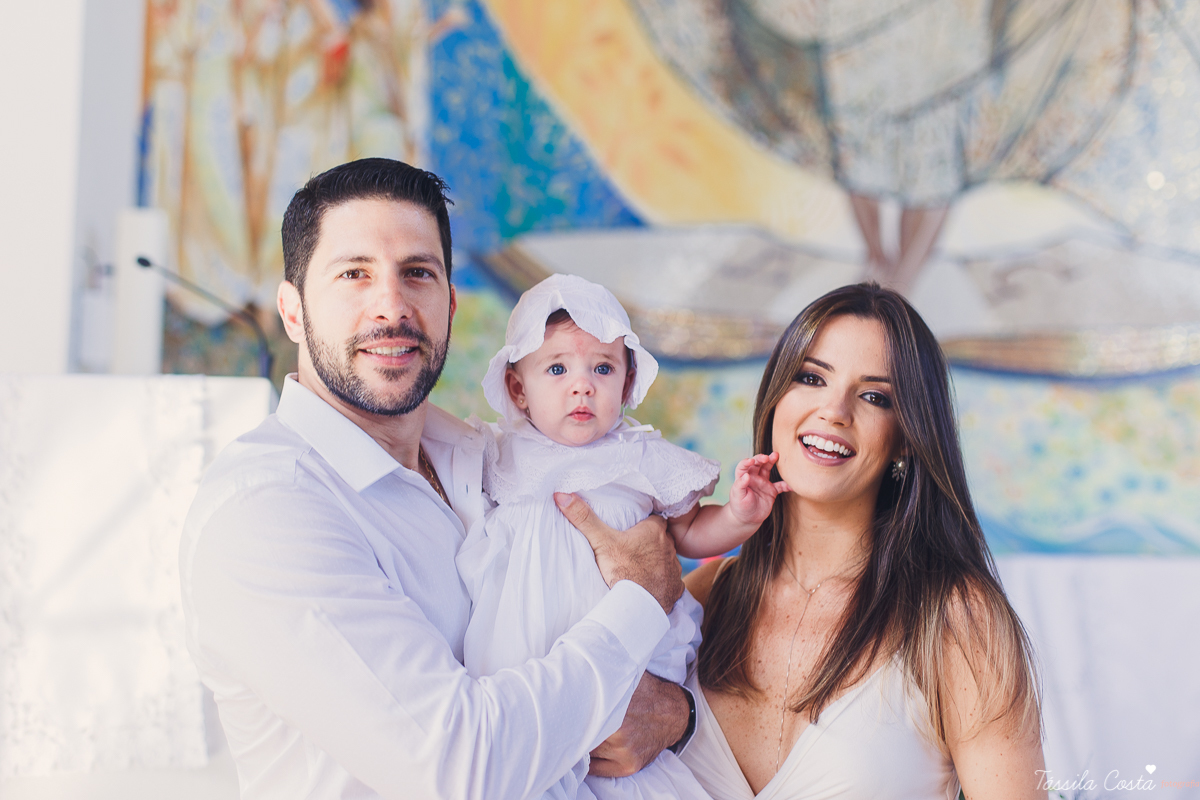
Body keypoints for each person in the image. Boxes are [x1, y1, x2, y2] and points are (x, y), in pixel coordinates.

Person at [179, 158, 695, 800]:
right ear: (292, 311)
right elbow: (459, 767)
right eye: (354, 274)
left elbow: (638, 675)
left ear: (449, 304)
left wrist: (675, 714)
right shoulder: (265, 511)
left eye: (416, 273)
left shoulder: (494, 458)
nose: (391, 307)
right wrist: (641, 601)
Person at [679, 283, 1045, 799]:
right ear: (775, 399)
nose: (834, 411)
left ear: (906, 438)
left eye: (874, 396)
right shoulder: (705, 597)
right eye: (811, 378)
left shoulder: (957, 621)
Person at [456, 273, 789, 800]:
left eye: (603, 368)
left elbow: (690, 531)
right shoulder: (496, 453)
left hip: (624, 668)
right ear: (518, 388)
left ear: (628, 381)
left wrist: (741, 516)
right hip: (523, 664)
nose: (582, 385)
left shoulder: (638, 457)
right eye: (558, 368)